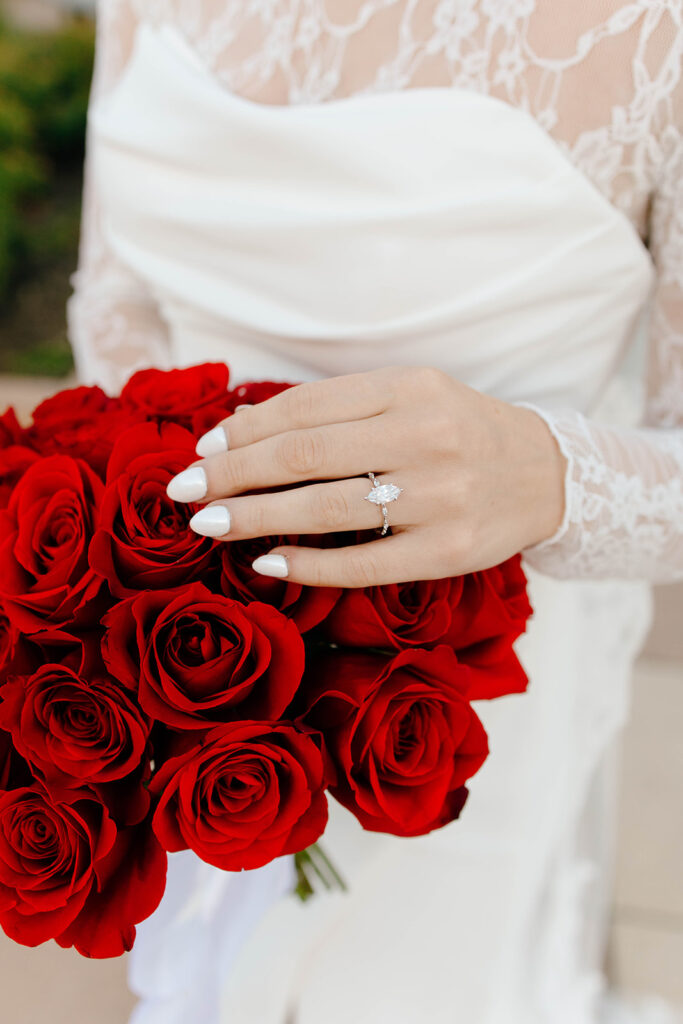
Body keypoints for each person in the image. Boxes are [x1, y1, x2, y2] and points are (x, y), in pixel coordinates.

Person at [67, 3, 683, 1023]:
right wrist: (151, 549)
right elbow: (115, 298)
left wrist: (544, 466)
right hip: (176, 661)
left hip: (461, 707)